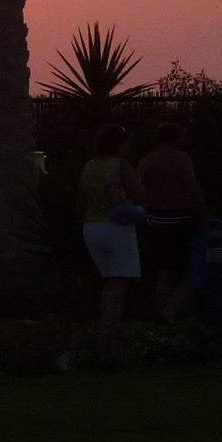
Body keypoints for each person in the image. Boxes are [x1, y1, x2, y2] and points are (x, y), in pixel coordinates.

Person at [136, 122, 206, 322]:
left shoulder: (146, 161)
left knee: (164, 273)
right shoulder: (181, 159)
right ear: (178, 138)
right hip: (180, 221)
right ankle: (169, 313)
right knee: (192, 271)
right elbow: (192, 189)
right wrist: (202, 217)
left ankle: (162, 319)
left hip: (155, 221)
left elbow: (139, 190)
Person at [78, 123, 145, 324]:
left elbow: (80, 201)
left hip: (91, 227)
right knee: (119, 284)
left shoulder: (89, 166)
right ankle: (110, 332)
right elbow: (139, 195)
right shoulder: (121, 165)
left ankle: (104, 329)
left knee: (108, 282)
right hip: (116, 228)